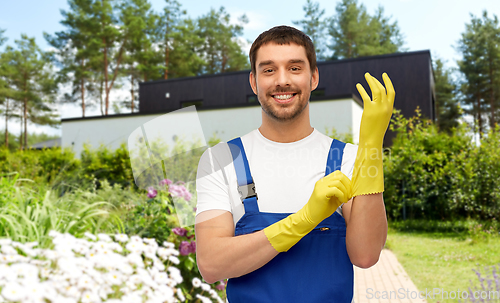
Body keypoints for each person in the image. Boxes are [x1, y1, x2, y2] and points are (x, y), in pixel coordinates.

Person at [195, 25, 393, 302]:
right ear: (254, 82)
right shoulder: (221, 160)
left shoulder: (347, 159)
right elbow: (211, 264)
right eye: (268, 70)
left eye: (295, 68)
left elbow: (366, 254)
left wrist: (371, 148)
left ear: (313, 78)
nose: (282, 80)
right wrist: (304, 220)